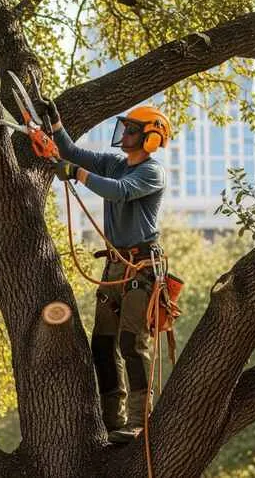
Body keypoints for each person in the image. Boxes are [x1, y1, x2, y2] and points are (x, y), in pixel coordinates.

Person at [47, 103, 172, 443]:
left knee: (132, 343)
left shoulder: (151, 172)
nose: (125, 135)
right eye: (126, 128)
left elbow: (118, 191)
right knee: (102, 344)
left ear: (150, 138)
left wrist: (75, 173)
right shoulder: (114, 163)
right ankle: (112, 421)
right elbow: (70, 151)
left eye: (132, 130)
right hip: (115, 266)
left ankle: (139, 421)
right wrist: (56, 124)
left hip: (141, 267)